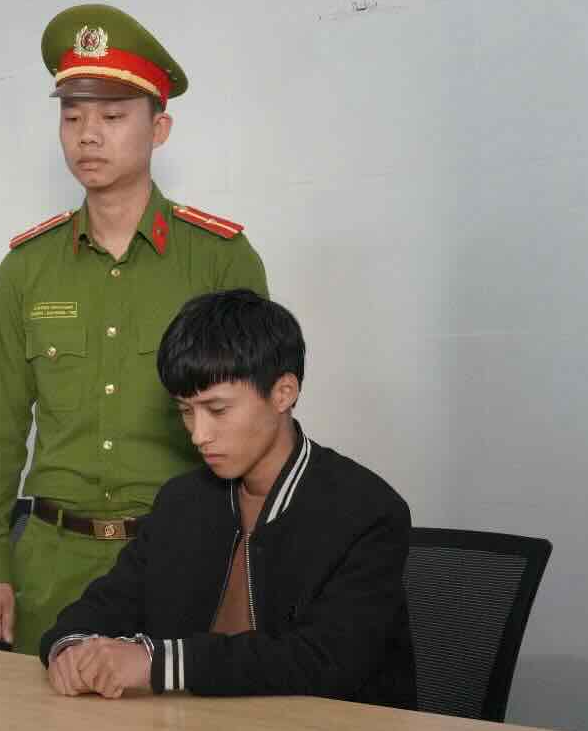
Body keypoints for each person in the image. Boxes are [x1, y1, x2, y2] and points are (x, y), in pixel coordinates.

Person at [0, 3, 270, 654]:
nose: (87, 135)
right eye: (71, 116)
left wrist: (243, 572)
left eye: (111, 116)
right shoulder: (26, 271)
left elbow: (256, 431)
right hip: (50, 566)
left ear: (160, 128)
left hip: (181, 563)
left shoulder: (218, 260)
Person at [41, 290, 413, 707]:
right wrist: (70, 649)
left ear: (283, 392)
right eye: (185, 411)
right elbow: (103, 605)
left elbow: (326, 663)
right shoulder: (181, 503)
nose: (198, 434)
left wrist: (158, 663)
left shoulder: (368, 511)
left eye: (216, 410)